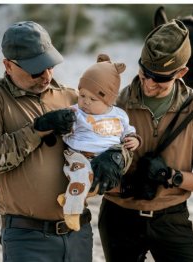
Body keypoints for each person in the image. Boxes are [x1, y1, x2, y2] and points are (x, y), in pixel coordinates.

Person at [0, 20, 102, 262]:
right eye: (36, 70)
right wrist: (37, 130)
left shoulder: (72, 97)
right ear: (8, 65)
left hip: (79, 233)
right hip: (28, 239)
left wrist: (114, 158)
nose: (46, 75)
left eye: (49, 65)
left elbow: (113, 135)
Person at [98, 19, 193, 262]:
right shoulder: (116, 104)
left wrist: (173, 177)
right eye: (145, 72)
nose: (149, 84)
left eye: (159, 78)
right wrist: (119, 181)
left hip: (171, 219)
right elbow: (89, 166)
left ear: (181, 73)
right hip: (118, 218)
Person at [58, 54, 141, 230]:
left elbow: (129, 131)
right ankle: (72, 212)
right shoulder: (76, 112)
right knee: (81, 177)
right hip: (78, 155)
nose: (86, 102)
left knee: (95, 183)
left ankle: (70, 197)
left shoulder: (119, 115)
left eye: (93, 99)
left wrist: (133, 139)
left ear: (108, 99)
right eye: (82, 95)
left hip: (104, 158)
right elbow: (62, 125)